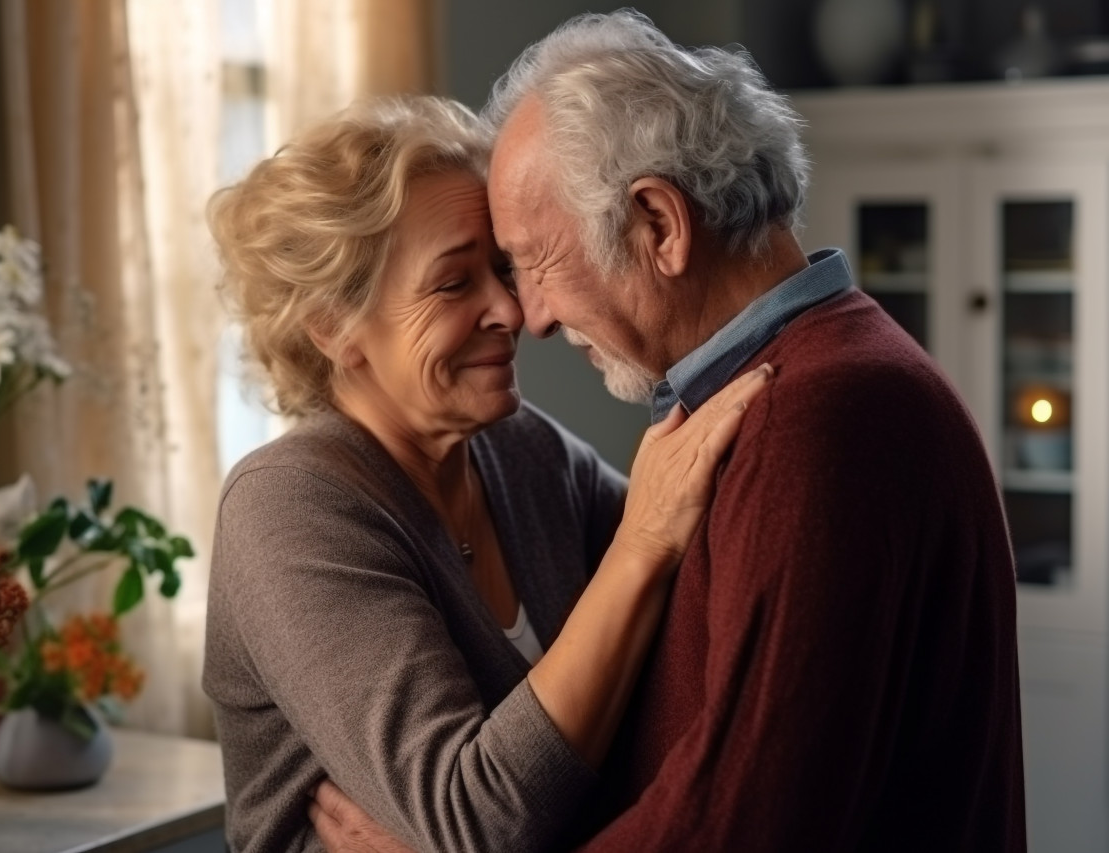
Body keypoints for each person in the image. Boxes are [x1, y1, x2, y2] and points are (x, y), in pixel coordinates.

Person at [309, 10, 1026, 853]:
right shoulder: (823, 380)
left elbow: (739, 827)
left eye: (533, 260)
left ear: (659, 223)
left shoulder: (815, 419)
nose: (531, 317)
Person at [203, 94, 771, 852]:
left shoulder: (521, 449)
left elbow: (696, 624)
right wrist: (642, 543)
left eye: (503, 269)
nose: (512, 309)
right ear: (335, 327)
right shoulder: (288, 505)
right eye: (452, 283)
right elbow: (473, 820)